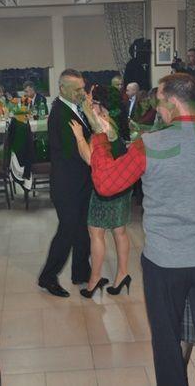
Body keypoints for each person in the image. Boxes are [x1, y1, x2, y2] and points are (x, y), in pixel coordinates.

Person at [85, 73, 195, 386]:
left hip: (166, 263)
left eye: (160, 102)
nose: (158, 109)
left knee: (167, 344)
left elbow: (106, 184)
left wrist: (100, 138)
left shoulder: (149, 144)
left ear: (173, 102)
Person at [69, 85, 132, 298]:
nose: (91, 106)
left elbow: (90, 159)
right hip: (122, 184)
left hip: (106, 187)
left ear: (102, 106)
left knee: (96, 233)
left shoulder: (102, 126)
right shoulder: (114, 122)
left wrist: (79, 136)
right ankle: (122, 274)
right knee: (120, 231)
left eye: (94, 103)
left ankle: (94, 279)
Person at [38, 69, 92, 298]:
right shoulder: (60, 114)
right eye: (77, 89)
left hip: (80, 181)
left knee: (82, 230)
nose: (82, 93)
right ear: (62, 89)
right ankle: (48, 277)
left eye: (83, 88)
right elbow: (74, 153)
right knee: (67, 231)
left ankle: (81, 273)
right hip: (67, 184)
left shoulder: (75, 108)